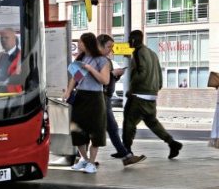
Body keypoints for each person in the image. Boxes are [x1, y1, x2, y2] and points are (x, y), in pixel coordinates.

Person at [123, 29, 182, 160]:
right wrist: (155, 89)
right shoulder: (153, 54)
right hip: (151, 95)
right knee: (152, 122)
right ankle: (172, 143)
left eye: (129, 40)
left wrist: (131, 89)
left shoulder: (138, 52)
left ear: (133, 40)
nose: (128, 42)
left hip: (139, 95)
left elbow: (141, 73)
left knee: (129, 121)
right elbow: (160, 78)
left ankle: (126, 150)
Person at [62, 32, 111, 174]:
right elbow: (76, 78)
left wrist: (90, 69)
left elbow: (105, 80)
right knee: (76, 130)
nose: (78, 45)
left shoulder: (101, 60)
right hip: (81, 97)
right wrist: (68, 92)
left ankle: (92, 163)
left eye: (81, 42)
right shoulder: (82, 58)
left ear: (88, 43)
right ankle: (84, 159)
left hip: (95, 98)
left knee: (96, 131)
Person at [99, 35, 144, 166]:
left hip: (105, 97)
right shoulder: (99, 60)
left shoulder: (104, 60)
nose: (111, 50)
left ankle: (125, 155)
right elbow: (102, 80)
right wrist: (113, 74)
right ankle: (126, 156)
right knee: (110, 128)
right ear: (100, 45)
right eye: (109, 47)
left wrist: (115, 75)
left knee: (110, 128)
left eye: (112, 47)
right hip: (101, 98)